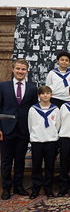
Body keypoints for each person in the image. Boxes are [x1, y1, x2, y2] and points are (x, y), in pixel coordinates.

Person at [0, 59, 38, 200]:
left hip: (23, 129)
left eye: (23, 69)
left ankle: (18, 186)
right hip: (6, 129)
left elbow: (35, 110)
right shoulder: (3, 87)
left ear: (27, 71)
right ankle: (6, 188)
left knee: (20, 160)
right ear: (12, 69)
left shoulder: (33, 89)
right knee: (6, 161)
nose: (20, 71)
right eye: (18, 69)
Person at [28, 86, 60, 199]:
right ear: (39, 95)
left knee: (49, 166)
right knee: (36, 166)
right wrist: (34, 136)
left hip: (51, 141)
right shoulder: (33, 109)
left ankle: (48, 188)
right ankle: (36, 189)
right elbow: (30, 125)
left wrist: (53, 135)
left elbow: (58, 125)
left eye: (47, 93)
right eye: (43, 93)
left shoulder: (55, 109)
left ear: (51, 95)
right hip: (37, 141)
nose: (45, 95)